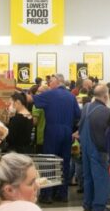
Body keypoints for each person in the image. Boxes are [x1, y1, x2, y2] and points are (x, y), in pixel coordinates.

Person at [29, 74, 81, 203]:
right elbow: (78, 115)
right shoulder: (71, 96)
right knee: (64, 163)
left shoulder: (49, 95)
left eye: (50, 81)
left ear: (57, 82)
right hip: (67, 131)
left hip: (52, 131)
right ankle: (62, 194)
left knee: (49, 162)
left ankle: (47, 195)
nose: (48, 83)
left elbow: (30, 99)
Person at [79, 85, 110, 211]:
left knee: (87, 176)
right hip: (98, 147)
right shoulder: (106, 112)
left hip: (85, 145)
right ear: (105, 96)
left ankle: (87, 204)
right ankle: (99, 206)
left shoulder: (86, 107)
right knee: (100, 176)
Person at [31, 85, 48, 153]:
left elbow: (35, 121)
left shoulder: (37, 105)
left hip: (40, 136)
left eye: (39, 91)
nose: (37, 93)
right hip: (49, 135)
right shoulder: (50, 103)